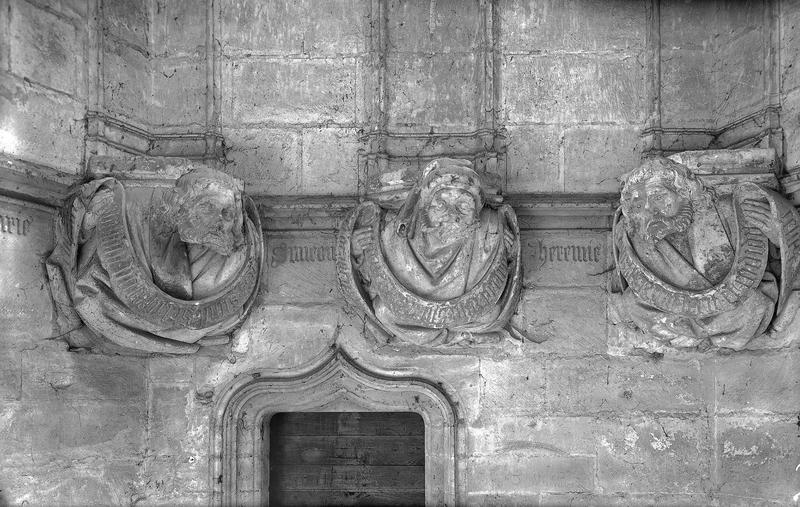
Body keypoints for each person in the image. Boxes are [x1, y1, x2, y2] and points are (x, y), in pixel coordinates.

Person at [47, 166, 263, 354]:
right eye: (208, 208)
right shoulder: (129, 214)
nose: (219, 221)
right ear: (182, 206)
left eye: (227, 214)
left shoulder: (235, 258)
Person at [613, 157, 800, 350]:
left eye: (658, 197)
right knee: (632, 303)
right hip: (670, 312)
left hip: (735, 308)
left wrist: (777, 236)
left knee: (755, 306)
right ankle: (695, 334)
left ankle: (697, 335)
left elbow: (779, 255)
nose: (649, 209)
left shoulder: (729, 209)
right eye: (639, 203)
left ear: (684, 192)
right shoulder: (639, 234)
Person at [340, 158, 522, 346]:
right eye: (441, 204)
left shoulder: (490, 229)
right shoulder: (392, 231)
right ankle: (456, 337)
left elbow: (504, 267)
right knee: (384, 311)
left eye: (464, 206)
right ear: (424, 208)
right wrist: (357, 250)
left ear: (476, 212)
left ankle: (451, 334)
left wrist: (508, 250)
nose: (452, 214)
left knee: (491, 313)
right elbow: (371, 270)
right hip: (412, 312)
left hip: (464, 311)